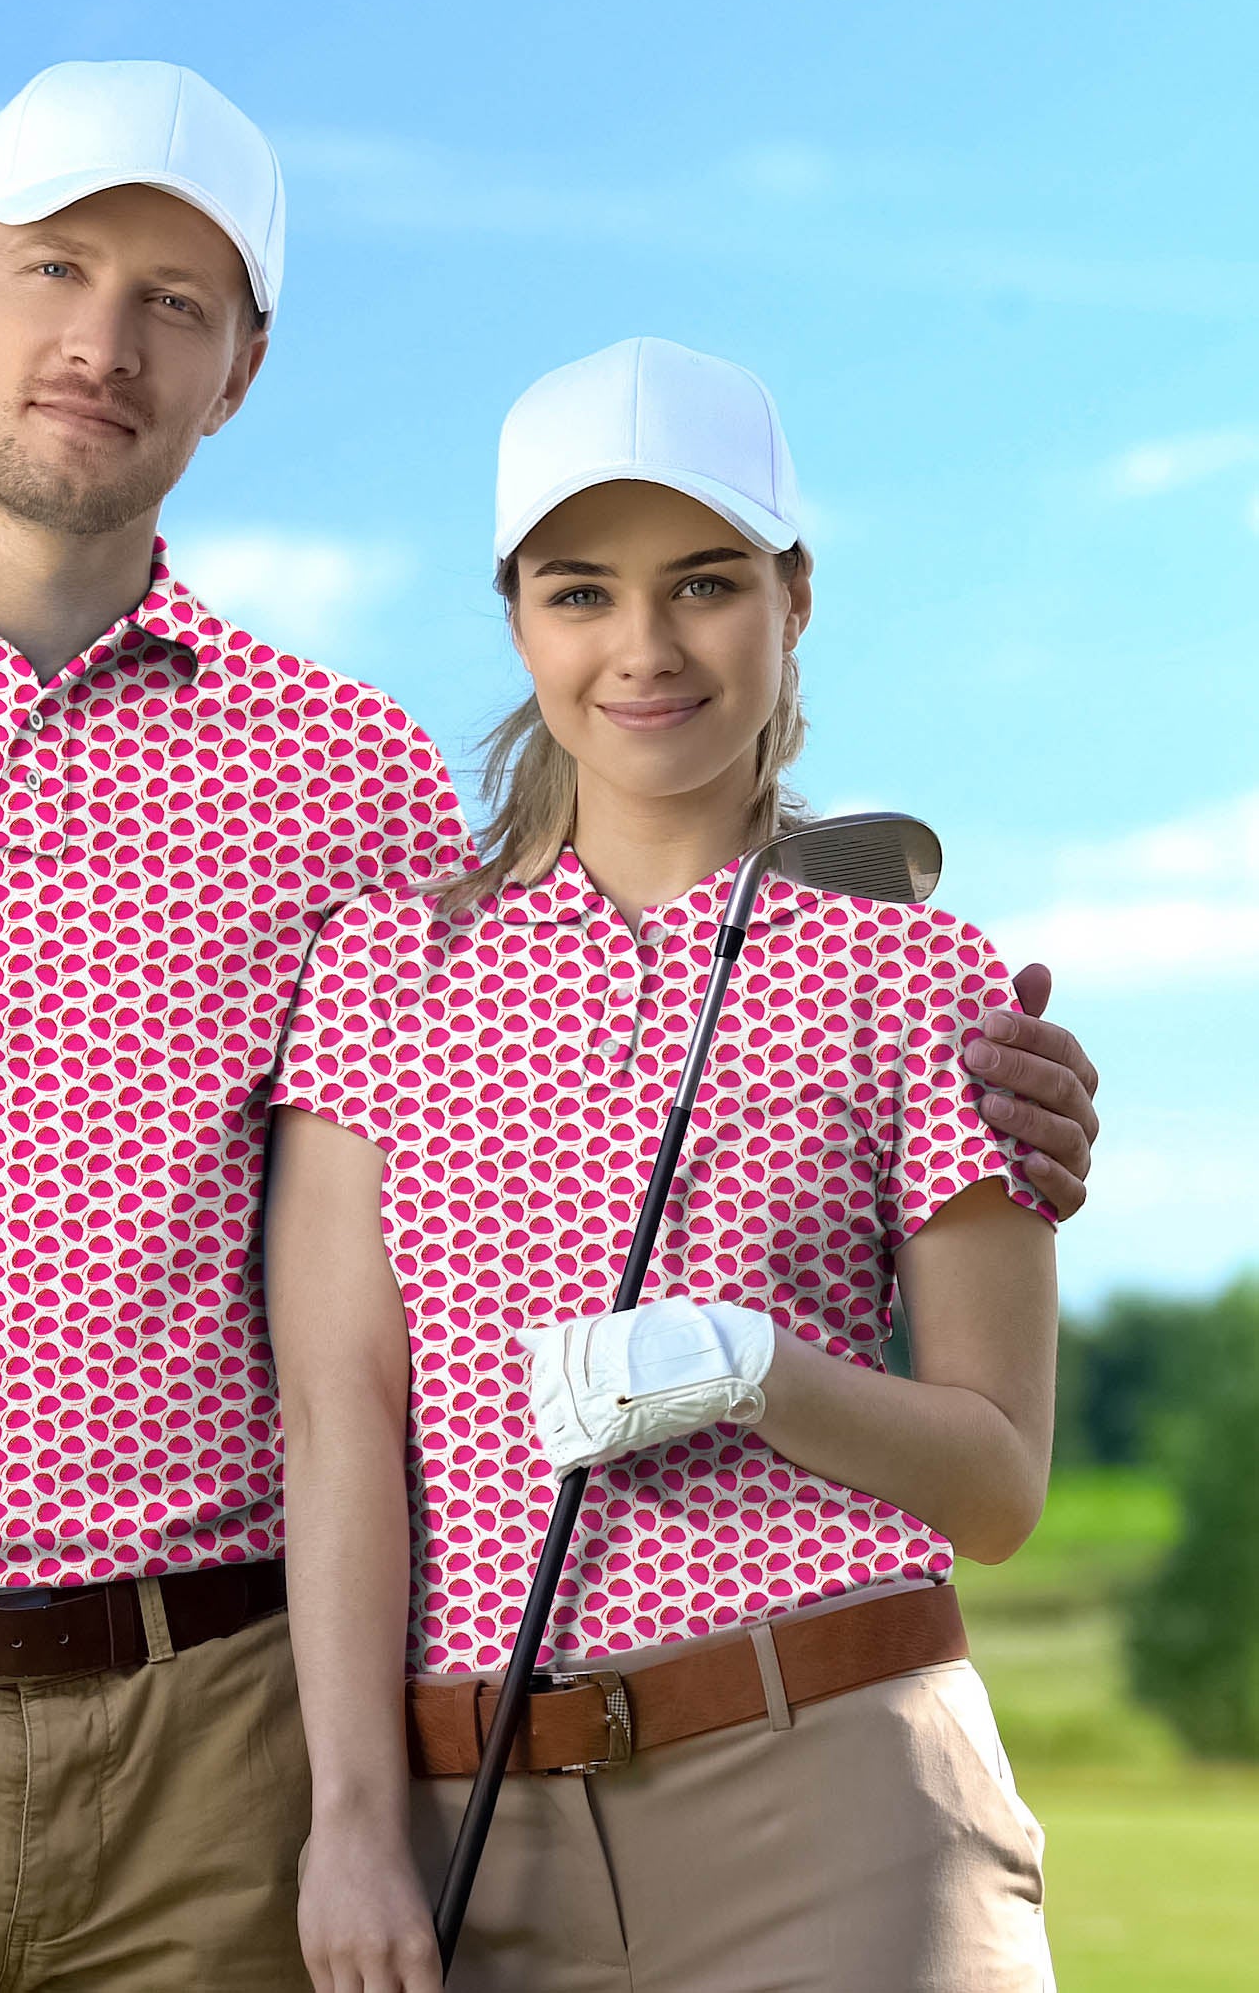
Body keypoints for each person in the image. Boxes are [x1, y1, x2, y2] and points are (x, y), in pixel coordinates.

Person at [0, 56, 1096, 1989]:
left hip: (227, 1753)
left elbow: (551, 1077)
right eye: (55, 270)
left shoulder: (347, 775)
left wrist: (948, 1059)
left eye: (173, 302)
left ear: (241, 369)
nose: (103, 341)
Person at [268, 338, 1066, 1992]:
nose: (642, 648)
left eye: (702, 583)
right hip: (481, 1827)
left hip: (838, 1784)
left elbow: (993, 1486)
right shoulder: (381, 975)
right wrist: (349, 1815)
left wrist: (756, 1372)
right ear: (515, 619)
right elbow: (343, 1419)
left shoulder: (918, 973)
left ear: (791, 599)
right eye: (580, 593)